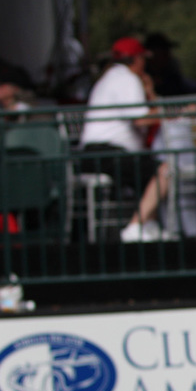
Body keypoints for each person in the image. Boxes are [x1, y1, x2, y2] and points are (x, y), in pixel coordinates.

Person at [78, 37, 172, 243]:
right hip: (106, 153)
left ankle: (149, 225)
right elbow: (141, 119)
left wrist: (150, 92)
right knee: (166, 170)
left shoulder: (112, 77)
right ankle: (135, 227)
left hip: (99, 153)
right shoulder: (126, 79)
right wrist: (175, 112)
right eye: (143, 59)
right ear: (136, 60)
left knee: (148, 171)